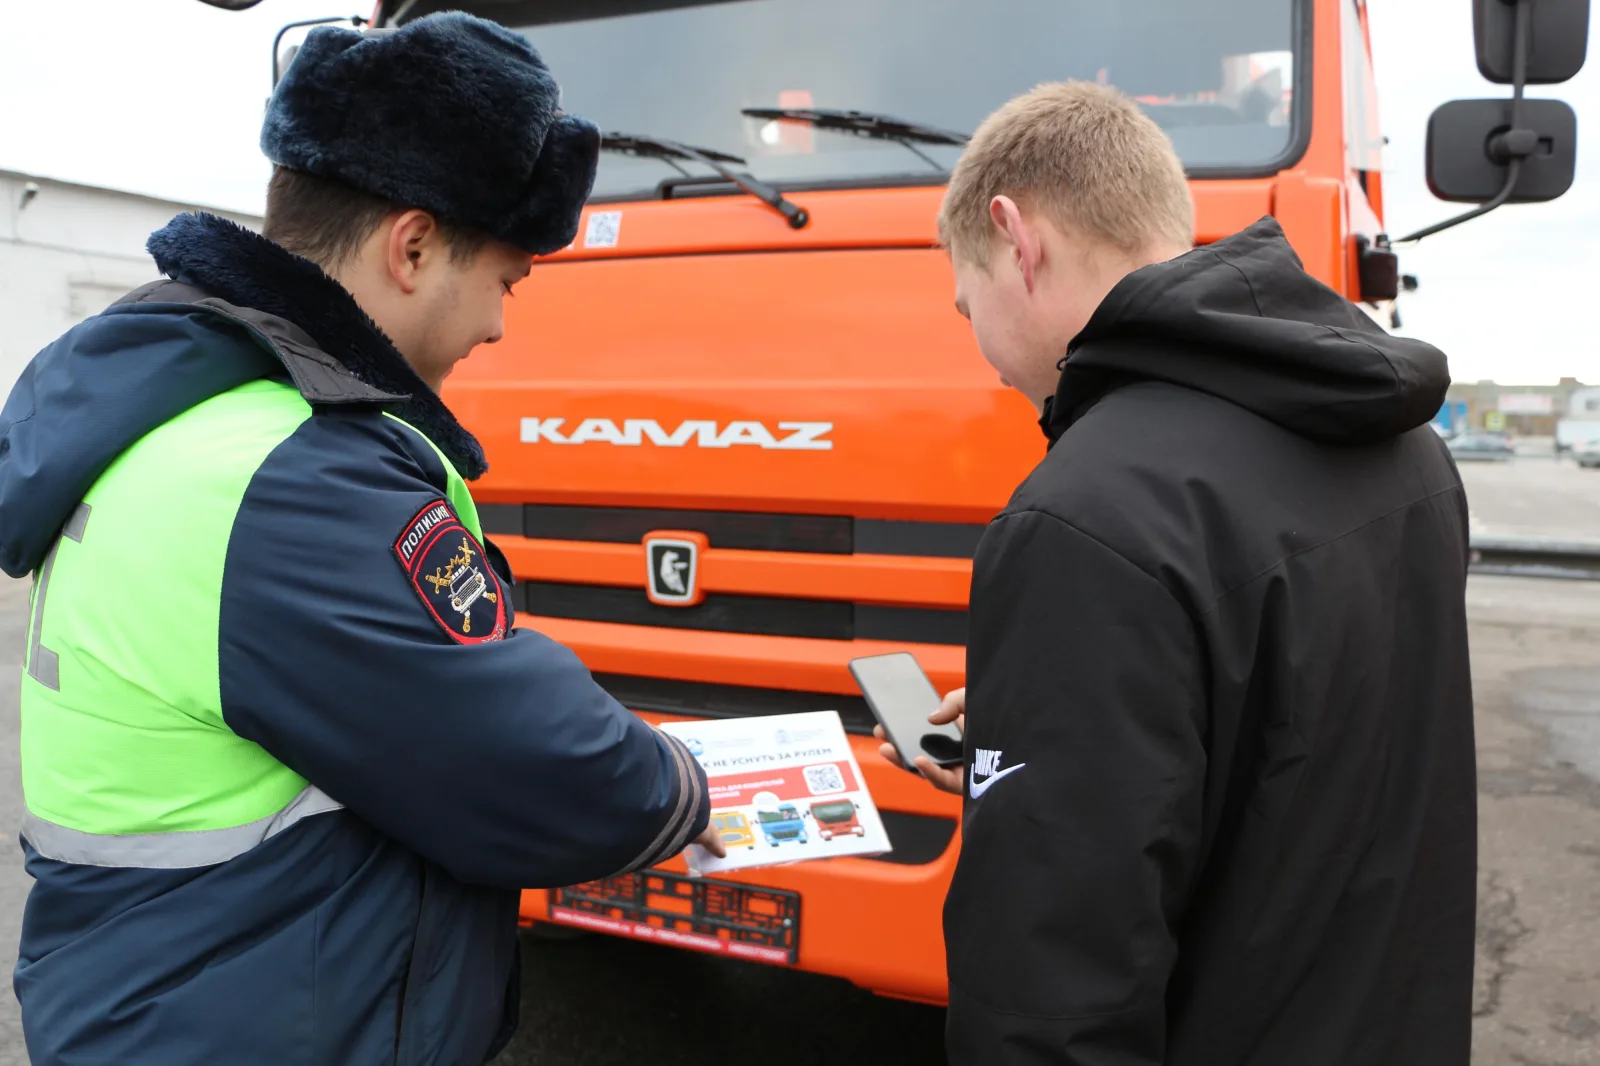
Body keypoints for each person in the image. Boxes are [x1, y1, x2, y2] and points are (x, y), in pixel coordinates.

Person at [0, 14, 722, 1065]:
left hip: (164, 991)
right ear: (414, 245)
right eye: (505, 281)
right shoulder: (292, 474)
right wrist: (684, 784)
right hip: (250, 1017)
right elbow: (525, 761)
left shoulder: (183, 412)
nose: (499, 326)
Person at [881, 82, 1476, 1065]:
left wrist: (1064, 758)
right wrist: (1070, 735)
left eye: (966, 297)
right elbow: (1307, 748)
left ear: (1014, 238)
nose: (979, 345)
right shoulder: (1409, 450)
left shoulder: (1086, 514)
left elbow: (1051, 989)